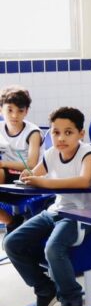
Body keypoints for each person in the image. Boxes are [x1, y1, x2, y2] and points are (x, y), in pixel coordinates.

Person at [4, 107, 91, 306]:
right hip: (57, 210)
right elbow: (35, 173)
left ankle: (73, 304)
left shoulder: (88, 153)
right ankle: (45, 289)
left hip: (84, 214)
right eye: (55, 132)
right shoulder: (50, 154)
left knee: (53, 248)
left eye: (68, 132)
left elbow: (83, 181)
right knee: (11, 243)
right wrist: (28, 175)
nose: (61, 138)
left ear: (81, 134)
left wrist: (43, 181)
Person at [0, 85, 43, 232]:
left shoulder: (33, 132)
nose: (14, 115)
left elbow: (31, 165)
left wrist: (3, 163)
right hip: (7, 174)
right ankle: (11, 221)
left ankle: (14, 222)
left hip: (29, 176)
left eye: (20, 110)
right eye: (10, 110)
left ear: (26, 111)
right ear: (1, 109)